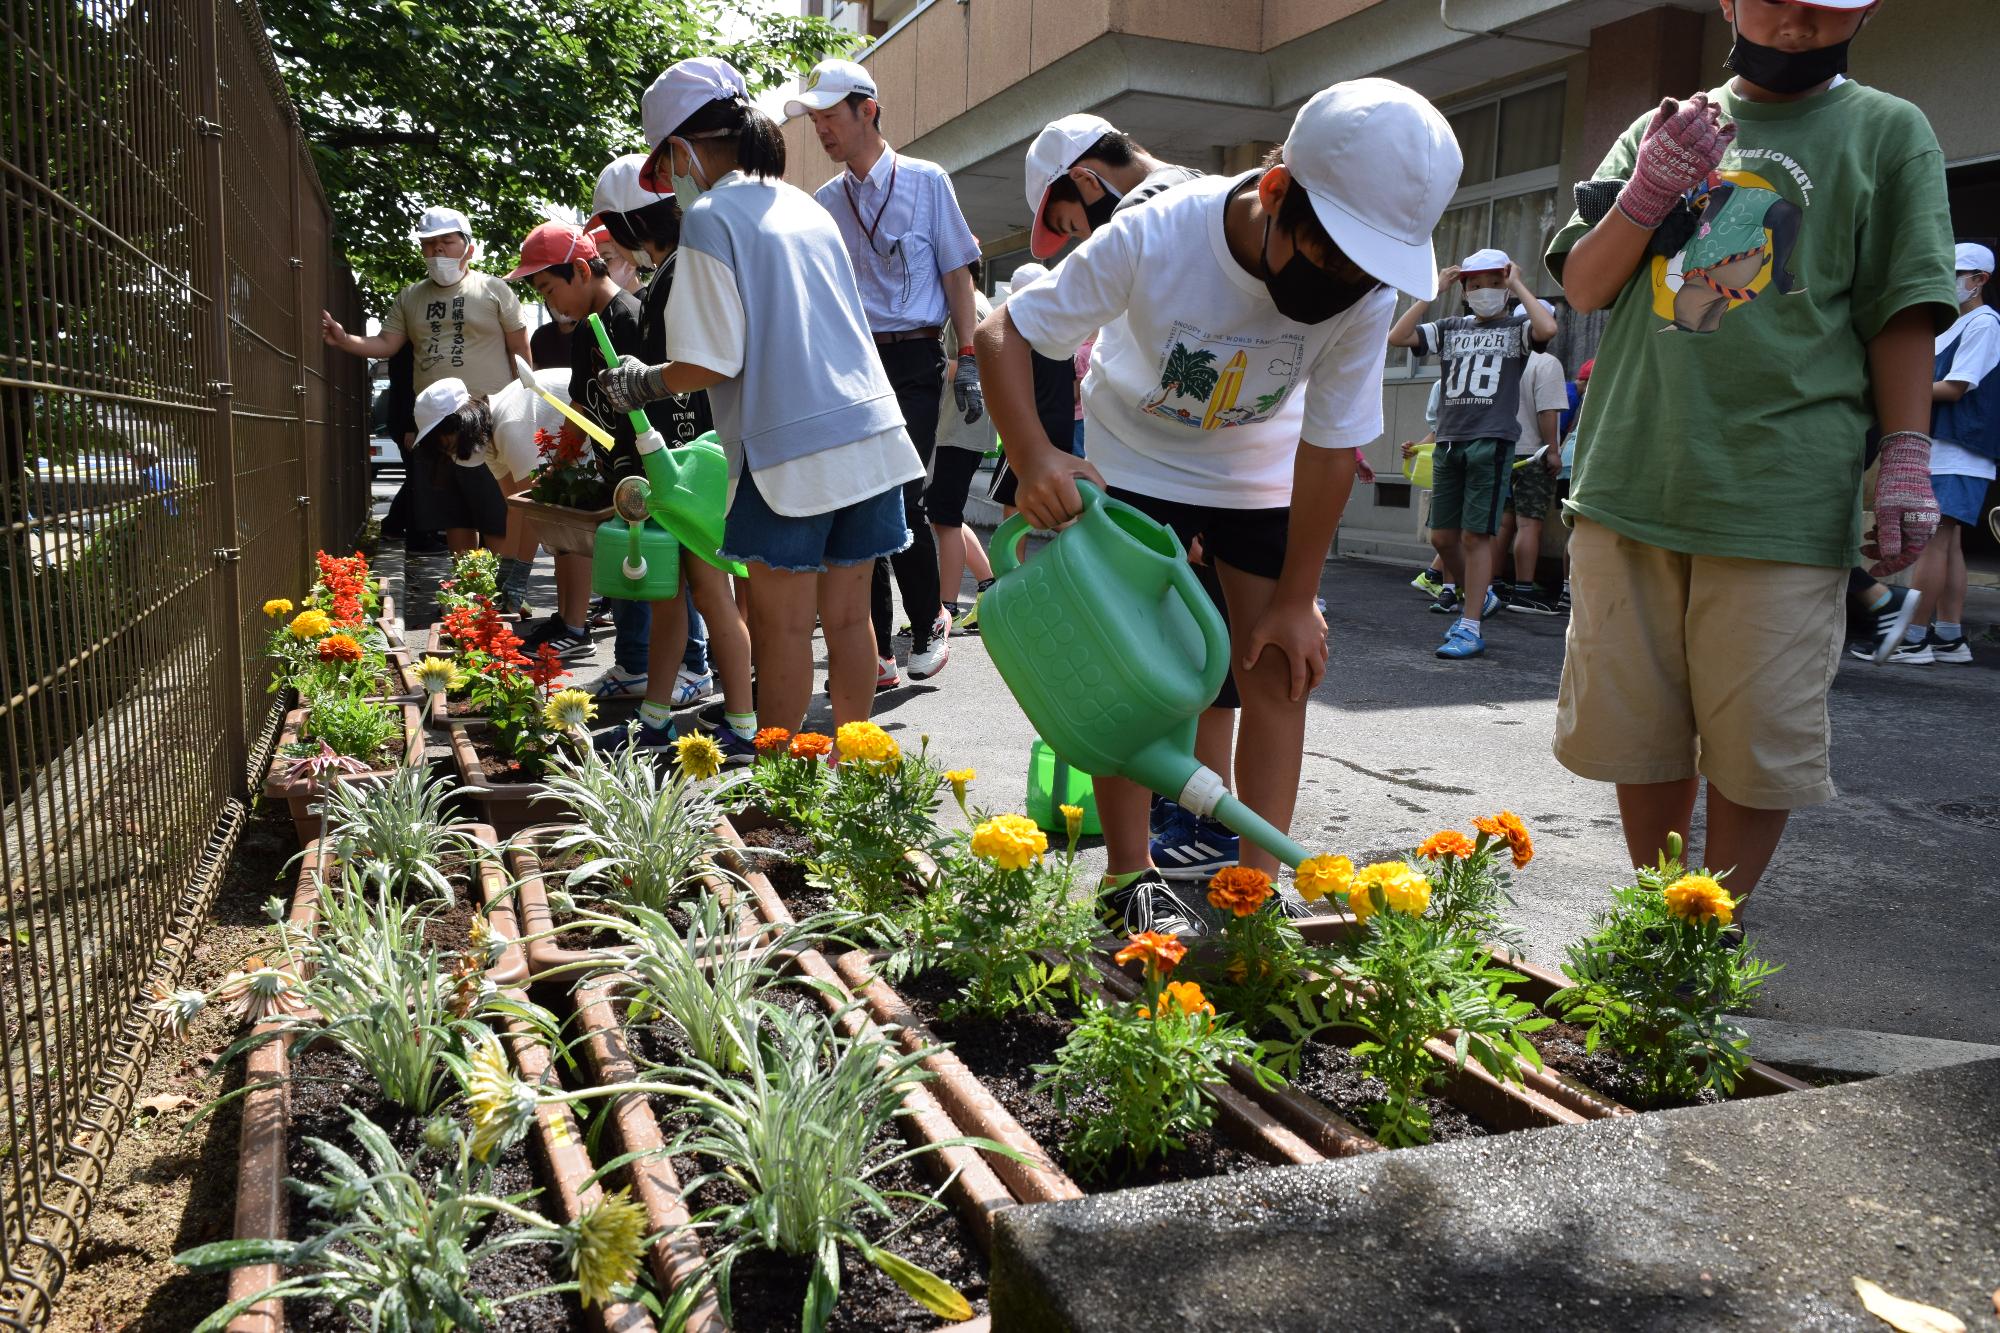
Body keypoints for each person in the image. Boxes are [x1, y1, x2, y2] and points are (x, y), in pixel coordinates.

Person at [979, 78, 1461, 935]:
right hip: (1135, 460)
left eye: (1364, 271)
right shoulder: (1159, 233)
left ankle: (1255, 891)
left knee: (1280, 665)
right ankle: (1131, 878)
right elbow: (1004, 332)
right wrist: (1034, 453)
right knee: (1129, 671)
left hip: (1258, 471)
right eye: (1328, 258)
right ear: (1275, 192)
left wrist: (1294, 599)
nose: (1344, 285)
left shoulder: (1366, 287)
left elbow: (1329, 445)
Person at [1548, 0, 1953, 900]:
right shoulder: (1666, 127)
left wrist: (1907, 452)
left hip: (1782, 487)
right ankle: (1663, 921)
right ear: (1730, 2)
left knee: (1756, 741)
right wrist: (1649, 187)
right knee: (1637, 729)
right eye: (1775, 1)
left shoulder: (1889, 130)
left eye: (1821, 8)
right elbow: (1583, 281)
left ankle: (1710, 930)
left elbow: (1904, 305)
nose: (1796, 25)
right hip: (1632, 472)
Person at [597, 56, 922, 737]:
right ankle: (852, 781)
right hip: (872, 433)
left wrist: (640, 381)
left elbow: (708, 361)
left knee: (781, 629)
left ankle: (785, 798)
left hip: (788, 450)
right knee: (851, 620)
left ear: (683, 150)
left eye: (662, 170)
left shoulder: (712, 216)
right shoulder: (805, 203)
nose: (669, 186)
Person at [788, 57, 979, 686]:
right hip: (853, 360)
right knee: (856, 496)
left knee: (901, 492)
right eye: (813, 118)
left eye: (829, 114)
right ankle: (876, 650)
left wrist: (969, 356)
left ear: (867, 109)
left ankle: (929, 622)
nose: (821, 128)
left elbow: (957, 270)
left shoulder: (926, 181)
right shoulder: (824, 202)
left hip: (918, 354)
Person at [585, 152, 760, 755]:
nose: (612, 242)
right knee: (671, 598)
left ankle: (741, 725)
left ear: (632, 223)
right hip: (679, 457)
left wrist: (644, 390)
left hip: (691, 460)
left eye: (612, 230)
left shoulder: (682, 271)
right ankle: (656, 719)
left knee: (712, 595)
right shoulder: (672, 270)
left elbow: (694, 371)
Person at [322, 205, 532, 565]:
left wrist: (529, 403)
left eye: (446, 242)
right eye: (429, 244)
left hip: (490, 419)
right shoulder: (410, 296)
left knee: (496, 509)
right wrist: (346, 341)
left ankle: (502, 593)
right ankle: (468, 595)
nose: (437, 251)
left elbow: (520, 349)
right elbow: (387, 344)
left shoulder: (494, 289)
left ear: (468, 247)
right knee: (454, 514)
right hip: (436, 423)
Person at [1387, 249, 1559, 658]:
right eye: (1476, 284)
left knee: (1475, 535)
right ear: (1463, 289)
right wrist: (1432, 292)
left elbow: (1547, 327)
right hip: (1448, 441)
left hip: (1493, 440)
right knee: (1443, 537)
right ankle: (1478, 598)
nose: (1486, 291)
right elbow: (1397, 337)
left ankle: (1469, 624)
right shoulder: (1449, 327)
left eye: (1495, 283)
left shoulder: (1517, 327)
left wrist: (1517, 283)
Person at [1024, 114, 1203, 261]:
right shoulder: (1205, 182)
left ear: (1085, 179)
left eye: (1074, 227)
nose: (1086, 240)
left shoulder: (1135, 217)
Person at [929, 259, 997, 629]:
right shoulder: (978, 302)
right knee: (945, 515)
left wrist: (926, 358)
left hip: (960, 428)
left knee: (945, 516)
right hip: (964, 428)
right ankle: (987, 586)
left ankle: (945, 609)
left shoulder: (966, 308)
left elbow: (972, 365)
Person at [1498, 332, 1569, 615]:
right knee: (1528, 525)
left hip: (1500, 449)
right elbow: (1547, 411)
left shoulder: (1504, 361)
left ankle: (1492, 586)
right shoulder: (1546, 363)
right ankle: (1523, 591)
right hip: (1533, 453)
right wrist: (1553, 449)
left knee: (1501, 523)